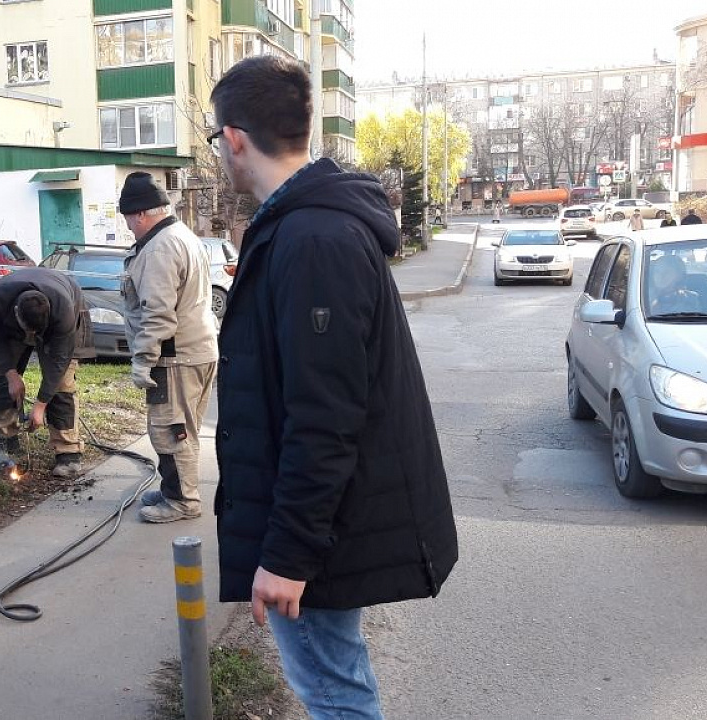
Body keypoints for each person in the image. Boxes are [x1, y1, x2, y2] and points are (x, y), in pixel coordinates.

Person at [208, 55, 458, 718]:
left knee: (334, 694)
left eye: (216, 140)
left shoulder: (313, 239)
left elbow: (324, 418)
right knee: (337, 679)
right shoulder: (308, 225)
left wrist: (287, 556)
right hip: (330, 525)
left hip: (320, 536)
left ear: (234, 137)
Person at [117, 172, 219, 523]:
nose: (129, 227)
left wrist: (143, 361)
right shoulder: (182, 236)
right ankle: (175, 489)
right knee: (182, 428)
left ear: (140, 214)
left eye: (128, 220)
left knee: (170, 430)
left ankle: (183, 501)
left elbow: (158, 314)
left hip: (174, 358)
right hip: (198, 350)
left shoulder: (160, 248)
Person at [0, 267, 94, 477]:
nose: (32, 337)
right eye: (29, 332)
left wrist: (40, 405)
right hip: (9, 324)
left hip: (64, 311)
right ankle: (3, 435)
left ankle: (67, 451)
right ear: (16, 312)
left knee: (63, 382)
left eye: (36, 333)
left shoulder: (64, 311)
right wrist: (11, 375)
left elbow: (59, 363)